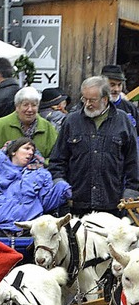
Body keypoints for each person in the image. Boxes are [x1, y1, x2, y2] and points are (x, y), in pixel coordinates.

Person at [49, 76, 139, 217]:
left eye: (92, 100)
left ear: (105, 99)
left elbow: (133, 162)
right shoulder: (71, 121)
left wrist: (131, 191)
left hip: (113, 205)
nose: (87, 104)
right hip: (76, 205)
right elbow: (57, 160)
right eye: (84, 99)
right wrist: (60, 183)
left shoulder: (123, 122)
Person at [0, 137, 71, 236]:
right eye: (27, 148)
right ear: (13, 152)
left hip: (30, 228)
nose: (31, 152)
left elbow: (46, 202)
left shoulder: (41, 174)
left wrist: (61, 190)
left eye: (33, 150)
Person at [0, 86, 58, 175]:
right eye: (25, 105)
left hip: (38, 183)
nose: (30, 109)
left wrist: (41, 166)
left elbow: (56, 157)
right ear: (17, 106)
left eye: (34, 105)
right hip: (3, 184)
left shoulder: (48, 128)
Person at [101, 64, 139, 135]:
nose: (116, 89)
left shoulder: (130, 107)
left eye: (119, 85)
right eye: (112, 85)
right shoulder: (93, 106)